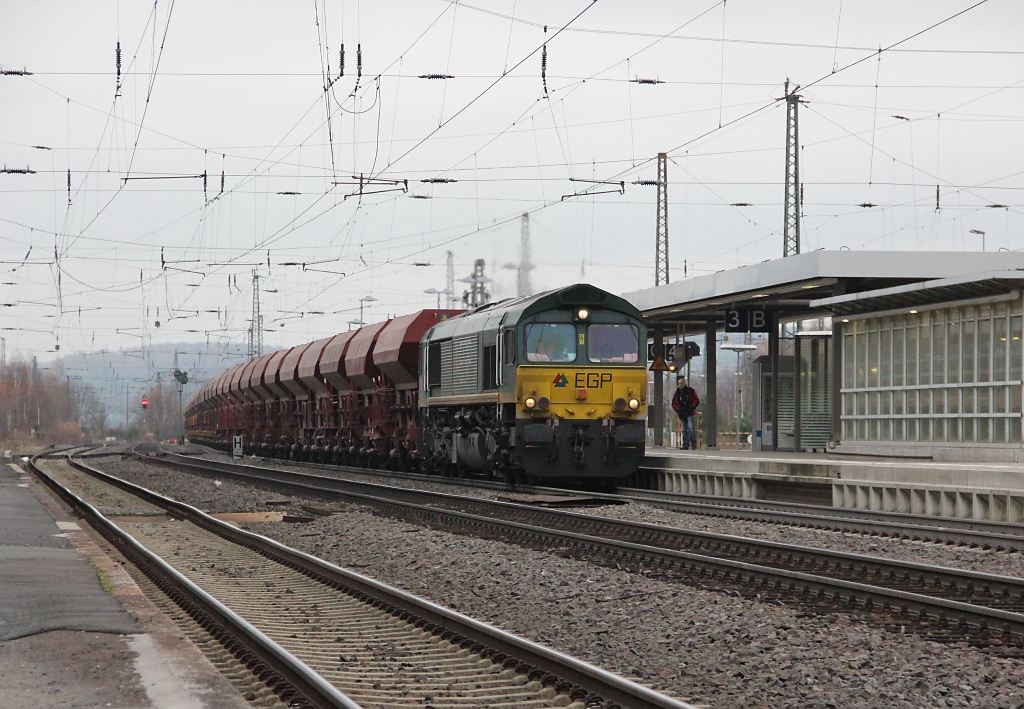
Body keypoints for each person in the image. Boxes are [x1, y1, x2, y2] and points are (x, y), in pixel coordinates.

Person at [671, 375, 699, 450]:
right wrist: (678, 411)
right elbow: (674, 403)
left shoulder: (690, 391)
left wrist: (692, 407)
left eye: (682, 383)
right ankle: (685, 444)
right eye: (679, 383)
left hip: (689, 412)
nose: (680, 385)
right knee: (684, 429)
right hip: (682, 413)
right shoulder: (677, 393)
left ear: (684, 383)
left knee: (691, 428)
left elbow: (696, 400)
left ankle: (693, 444)